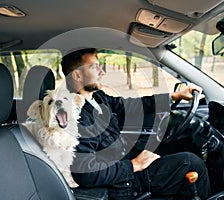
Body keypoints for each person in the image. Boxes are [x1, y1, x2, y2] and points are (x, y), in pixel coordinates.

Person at [61, 48, 211, 199]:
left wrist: (174, 96)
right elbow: (85, 173)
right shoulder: (77, 115)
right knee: (192, 163)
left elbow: (130, 105)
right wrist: (135, 164)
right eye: (94, 67)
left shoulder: (97, 97)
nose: (102, 71)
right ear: (77, 75)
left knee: (177, 145)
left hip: (124, 158)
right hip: (122, 183)